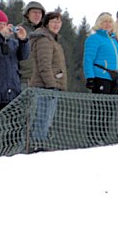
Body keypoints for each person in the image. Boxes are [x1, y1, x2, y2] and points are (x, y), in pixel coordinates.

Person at [28, 11, 67, 149]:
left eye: (59, 22)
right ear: (46, 23)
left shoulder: (52, 39)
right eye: (53, 22)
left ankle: (41, 143)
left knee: (46, 119)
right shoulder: (44, 39)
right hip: (45, 87)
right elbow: (44, 65)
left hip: (52, 86)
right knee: (42, 118)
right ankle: (37, 145)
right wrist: (51, 85)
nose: (56, 25)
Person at [83, 12, 118, 95]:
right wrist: (90, 77)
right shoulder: (94, 38)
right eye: (104, 22)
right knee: (100, 106)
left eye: (110, 22)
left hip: (116, 79)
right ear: (99, 24)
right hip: (101, 77)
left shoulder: (115, 41)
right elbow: (88, 59)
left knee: (111, 107)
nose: (108, 24)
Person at [18, 0, 45, 89]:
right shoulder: (19, 31)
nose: (37, 15)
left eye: (39, 13)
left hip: (43, 80)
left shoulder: (46, 33)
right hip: (24, 79)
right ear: (27, 14)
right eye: (34, 12)